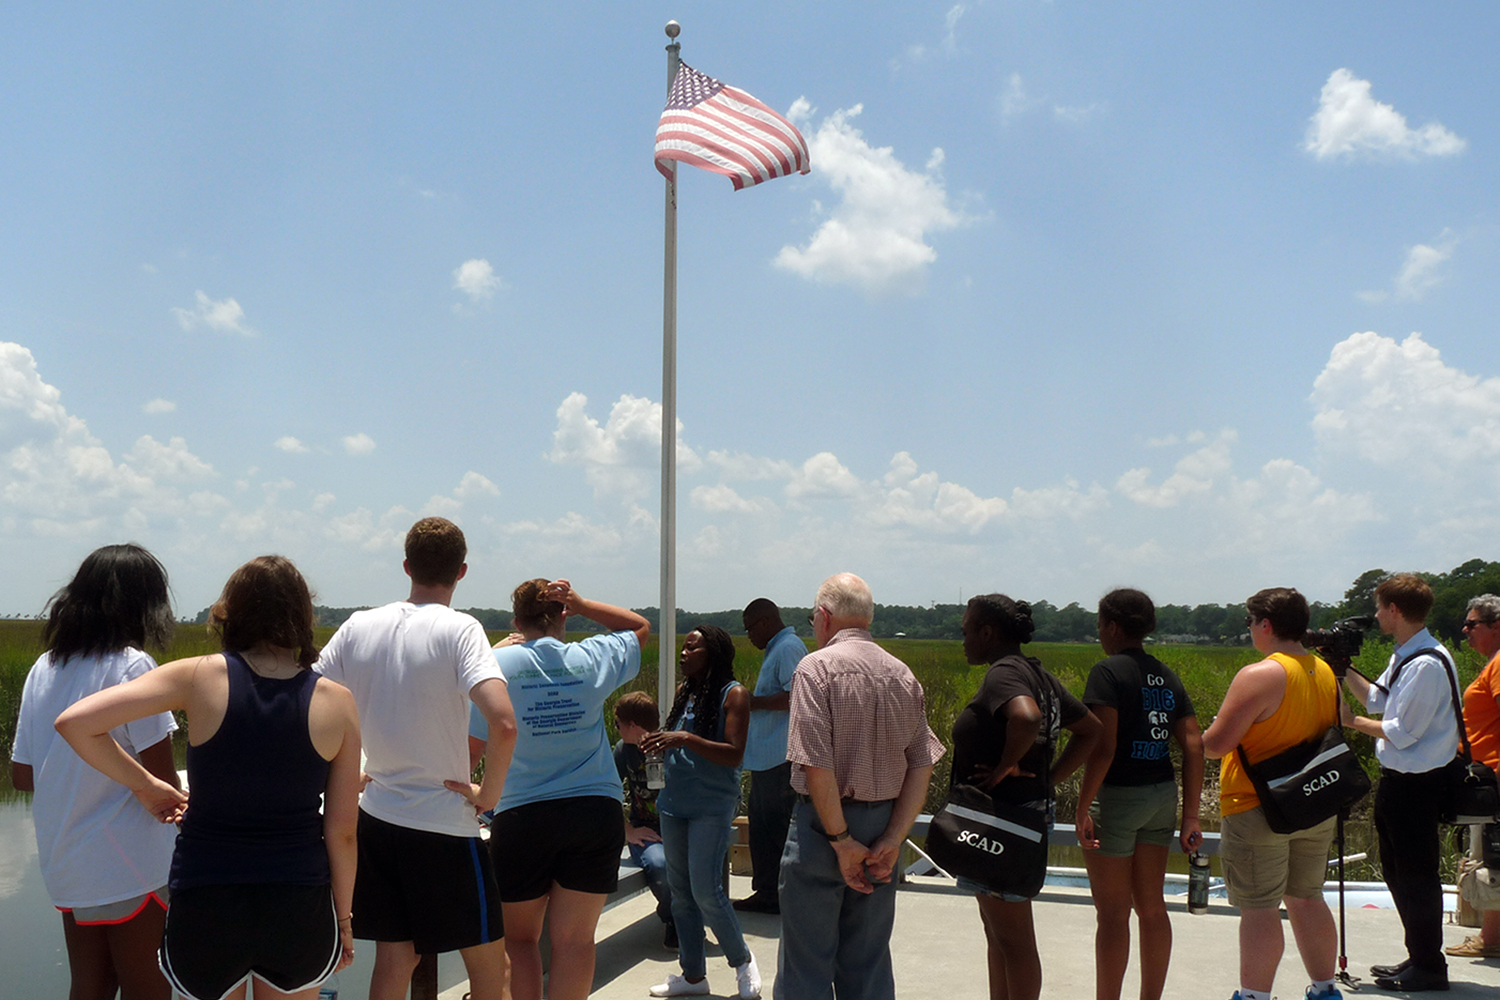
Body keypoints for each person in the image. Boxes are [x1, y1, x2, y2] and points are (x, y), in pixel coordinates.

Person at [56, 555, 362, 1000]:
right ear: (302, 616)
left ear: (230, 612)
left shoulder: (196, 676)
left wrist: (146, 786)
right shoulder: (338, 702)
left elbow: (75, 723)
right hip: (298, 898)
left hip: (207, 896)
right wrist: (345, 920)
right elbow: (342, 831)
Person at [316, 517, 518, 1000]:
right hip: (445, 824)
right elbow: (504, 724)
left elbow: (309, 696)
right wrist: (487, 795)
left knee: (394, 960)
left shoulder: (358, 625)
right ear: (462, 571)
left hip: (378, 818)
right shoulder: (462, 629)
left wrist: (346, 774)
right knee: (494, 968)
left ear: (406, 565)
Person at [10, 544, 182, 1000]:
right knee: (148, 986)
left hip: (65, 860)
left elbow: (22, 775)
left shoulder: (44, 668)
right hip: (131, 862)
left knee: (90, 985)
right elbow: (166, 782)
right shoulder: (133, 666)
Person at [468, 578, 649, 1000]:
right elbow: (639, 628)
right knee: (575, 942)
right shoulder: (590, 656)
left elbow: (471, 751)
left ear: (516, 620)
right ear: (562, 615)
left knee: (520, 939)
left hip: (523, 815)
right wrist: (584, 604)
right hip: (593, 812)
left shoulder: (498, 667)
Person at [775, 572, 947, 1000]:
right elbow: (921, 764)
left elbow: (816, 764)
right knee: (868, 962)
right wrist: (893, 838)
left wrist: (840, 839)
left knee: (806, 964)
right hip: (883, 827)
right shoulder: (902, 674)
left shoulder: (815, 669)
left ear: (824, 617)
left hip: (822, 827)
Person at [954, 593, 1103, 1000]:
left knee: (1015, 941)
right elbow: (1090, 729)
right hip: (1018, 817)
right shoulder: (1039, 674)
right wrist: (1046, 780)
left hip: (1006, 822)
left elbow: (1026, 717)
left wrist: (1005, 766)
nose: (962, 639)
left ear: (987, 632)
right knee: (998, 935)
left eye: (966, 631)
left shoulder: (1004, 674)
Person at [1202, 587, 1343, 1000]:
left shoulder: (1260, 674)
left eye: (1249, 622)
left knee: (1259, 906)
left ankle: (1253, 996)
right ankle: (1324, 989)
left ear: (1265, 624)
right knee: (1307, 898)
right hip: (1313, 802)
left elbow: (1216, 745)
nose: (1249, 630)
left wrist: (1207, 730)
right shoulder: (1323, 671)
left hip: (1257, 806)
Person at [1076, 588, 1204, 1000]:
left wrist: (1081, 807)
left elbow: (1104, 746)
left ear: (1112, 626)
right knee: (1152, 907)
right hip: (1161, 795)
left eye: (1100, 625)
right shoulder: (1165, 675)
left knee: (1112, 914)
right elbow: (1194, 744)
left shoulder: (1107, 672)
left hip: (1118, 797)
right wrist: (1190, 816)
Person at [1342, 573, 1461, 992]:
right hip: (1400, 782)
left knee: (1418, 875)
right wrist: (1343, 669)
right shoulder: (1408, 654)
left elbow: (1402, 730)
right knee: (1397, 871)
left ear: (1395, 611)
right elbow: (1376, 698)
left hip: (1419, 784)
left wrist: (1349, 723)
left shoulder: (1426, 663)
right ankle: (1419, 956)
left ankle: (1430, 967)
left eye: (1379, 608)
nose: (1376, 616)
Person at [643, 625, 759, 999]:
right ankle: (693, 977)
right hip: (674, 804)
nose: (683, 654)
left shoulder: (734, 694)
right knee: (680, 895)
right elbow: (679, 743)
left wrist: (685, 738)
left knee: (706, 891)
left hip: (711, 805)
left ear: (713, 654)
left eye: (692, 648)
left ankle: (742, 962)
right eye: (683, 648)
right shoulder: (686, 693)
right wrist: (661, 746)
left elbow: (734, 754)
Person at [734, 598, 807, 915]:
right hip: (767, 758)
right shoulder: (778, 648)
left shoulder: (788, 647)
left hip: (779, 758)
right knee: (763, 828)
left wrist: (754, 702)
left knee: (773, 829)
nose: (749, 636)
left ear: (764, 622)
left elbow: (798, 696)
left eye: (750, 628)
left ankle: (775, 895)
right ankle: (769, 891)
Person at [1448, 594, 1500, 959]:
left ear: (1497, 627)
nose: (1465, 630)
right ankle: (1491, 936)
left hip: (1494, 777)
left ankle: (1491, 939)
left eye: (1472, 624)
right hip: (1487, 775)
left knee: (1492, 862)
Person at [613, 692, 677, 950]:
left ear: (633, 726)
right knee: (659, 865)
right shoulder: (622, 751)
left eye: (618, 724)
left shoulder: (672, 746)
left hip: (679, 826)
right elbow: (605, 791)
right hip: (648, 831)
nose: (616, 730)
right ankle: (674, 920)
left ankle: (688, 915)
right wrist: (628, 830)